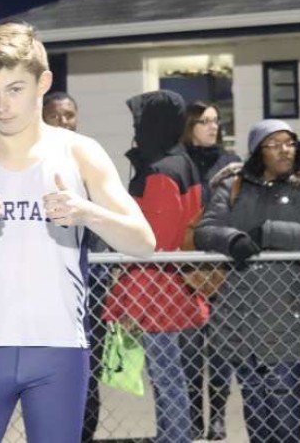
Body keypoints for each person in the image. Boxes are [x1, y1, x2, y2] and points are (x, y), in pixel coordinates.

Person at [0, 22, 156, 443]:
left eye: (15, 89)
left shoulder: (79, 152)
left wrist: (86, 212)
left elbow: (144, 243)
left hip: (59, 348)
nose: (2, 105)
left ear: (43, 82)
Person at [194, 119, 300, 443]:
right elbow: (205, 230)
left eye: (289, 142)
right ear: (258, 152)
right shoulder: (233, 186)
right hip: (241, 317)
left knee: (283, 403)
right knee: (256, 407)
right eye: (274, 144)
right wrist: (231, 240)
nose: (284, 150)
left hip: (290, 316)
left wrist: (269, 232)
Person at [103, 90, 209, 443]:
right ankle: (170, 434)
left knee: (166, 374)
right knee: (169, 372)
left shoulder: (162, 169)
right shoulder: (181, 161)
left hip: (156, 287)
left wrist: (133, 302)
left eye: (140, 119)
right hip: (170, 284)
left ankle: (175, 437)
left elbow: (156, 244)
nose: (135, 126)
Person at [42, 91, 107, 443]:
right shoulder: (31, 159)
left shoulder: (89, 159)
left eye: (69, 115)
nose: (64, 121)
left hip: (86, 286)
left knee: (86, 375)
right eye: (56, 115)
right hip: (42, 288)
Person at [179, 101, 240, 440]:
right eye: (204, 121)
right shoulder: (177, 162)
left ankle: (217, 414)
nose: (212, 127)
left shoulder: (231, 163)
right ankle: (192, 415)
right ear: (189, 125)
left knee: (220, 350)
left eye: (216, 121)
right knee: (189, 350)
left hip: (223, 268)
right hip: (185, 269)